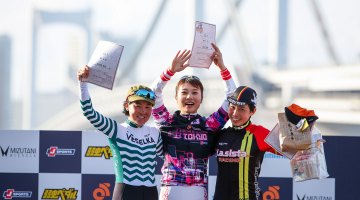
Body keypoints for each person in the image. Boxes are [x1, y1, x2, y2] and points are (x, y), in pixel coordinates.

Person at [151, 44, 236, 200]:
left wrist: (222, 68)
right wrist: (169, 71)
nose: (189, 97)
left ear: (201, 98)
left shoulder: (209, 125)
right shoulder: (166, 122)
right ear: (176, 98)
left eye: (195, 92)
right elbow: (152, 94)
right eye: (184, 92)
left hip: (198, 190)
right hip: (171, 189)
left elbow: (232, 97)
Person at [77, 66, 163, 200]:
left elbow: (169, 158)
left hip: (151, 192)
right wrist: (83, 83)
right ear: (126, 106)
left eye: (148, 107)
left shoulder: (155, 133)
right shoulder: (117, 129)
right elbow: (89, 112)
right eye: (138, 106)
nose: (143, 111)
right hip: (125, 190)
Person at [213, 85, 281, 200]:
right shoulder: (221, 134)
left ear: (253, 111)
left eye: (242, 109)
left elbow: (290, 149)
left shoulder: (259, 133)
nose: (235, 113)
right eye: (232, 107)